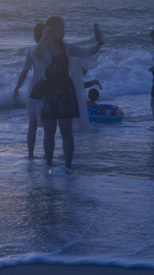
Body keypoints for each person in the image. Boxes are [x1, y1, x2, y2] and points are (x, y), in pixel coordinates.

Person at [31, 17, 104, 174]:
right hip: (48, 94)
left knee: (66, 132)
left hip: (66, 93)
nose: (63, 31)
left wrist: (99, 43)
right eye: (60, 28)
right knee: (49, 132)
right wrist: (44, 36)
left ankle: (67, 167)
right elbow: (36, 53)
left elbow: (87, 52)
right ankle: (48, 166)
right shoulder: (42, 48)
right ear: (51, 30)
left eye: (63, 28)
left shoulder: (67, 48)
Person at [13, 23, 46, 159]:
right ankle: (46, 155)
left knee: (32, 125)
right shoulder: (51, 51)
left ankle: (30, 155)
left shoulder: (32, 52)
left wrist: (17, 88)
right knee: (48, 128)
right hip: (47, 90)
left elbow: (25, 72)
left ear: (35, 36)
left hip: (34, 90)